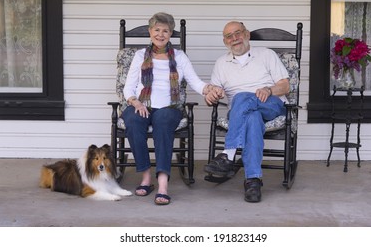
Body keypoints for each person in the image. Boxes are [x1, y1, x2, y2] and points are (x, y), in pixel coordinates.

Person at [122, 12, 220, 205]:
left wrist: (210, 89)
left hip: (169, 106)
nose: (160, 34)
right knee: (133, 121)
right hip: (142, 104)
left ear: (170, 34)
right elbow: (128, 87)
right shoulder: (140, 55)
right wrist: (136, 103)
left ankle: (163, 184)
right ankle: (146, 177)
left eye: (165, 30)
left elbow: (196, 82)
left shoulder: (180, 57)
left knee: (163, 122)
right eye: (157, 30)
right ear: (150, 32)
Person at [204, 21, 290, 203]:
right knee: (252, 118)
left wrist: (269, 90)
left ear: (247, 34)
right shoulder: (221, 63)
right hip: (241, 112)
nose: (234, 38)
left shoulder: (266, 54)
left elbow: (285, 85)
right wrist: (212, 95)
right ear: (225, 41)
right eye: (229, 36)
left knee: (242, 97)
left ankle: (228, 154)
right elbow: (214, 92)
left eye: (238, 33)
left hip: (271, 104)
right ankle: (253, 181)